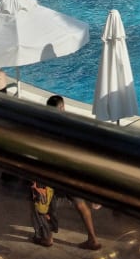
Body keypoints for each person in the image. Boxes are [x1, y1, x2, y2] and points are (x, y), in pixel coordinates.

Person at [41, 96, 102, 250]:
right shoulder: (72, 123)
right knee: (80, 204)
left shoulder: (48, 126)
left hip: (56, 171)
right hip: (71, 170)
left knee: (47, 203)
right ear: (63, 107)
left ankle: (48, 237)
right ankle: (93, 239)